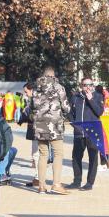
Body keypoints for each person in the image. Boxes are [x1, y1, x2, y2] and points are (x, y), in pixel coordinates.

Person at [31, 66, 70, 194]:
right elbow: (66, 107)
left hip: (40, 125)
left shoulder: (36, 88)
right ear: (53, 76)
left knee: (43, 154)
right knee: (58, 153)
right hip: (55, 126)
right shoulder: (58, 87)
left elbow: (32, 106)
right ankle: (56, 184)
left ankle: (41, 186)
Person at [69, 77, 105, 191]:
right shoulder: (75, 97)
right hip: (79, 132)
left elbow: (99, 112)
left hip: (93, 132)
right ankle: (76, 181)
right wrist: (75, 124)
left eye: (90, 85)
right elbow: (70, 113)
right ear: (81, 86)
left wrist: (91, 99)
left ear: (93, 86)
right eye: (85, 85)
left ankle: (89, 183)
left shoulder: (98, 96)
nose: (87, 87)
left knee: (93, 158)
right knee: (76, 157)